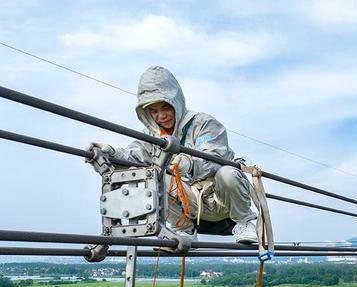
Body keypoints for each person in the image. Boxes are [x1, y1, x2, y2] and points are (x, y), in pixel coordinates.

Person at [87, 66, 258, 243]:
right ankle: (184, 230)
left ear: (176, 102)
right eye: (153, 111)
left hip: (220, 198)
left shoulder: (204, 123)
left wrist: (189, 164)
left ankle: (244, 223)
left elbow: (214, 156)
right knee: (154, 176)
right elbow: (133, 155)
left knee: (228, 173)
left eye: (165, 108)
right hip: (189, 204)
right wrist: (110, 153)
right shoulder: (152, 137)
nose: (160, 116)